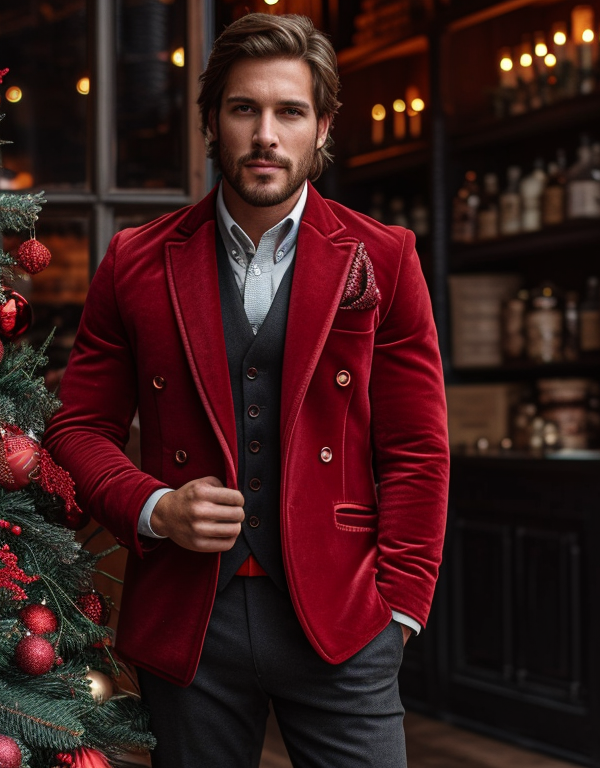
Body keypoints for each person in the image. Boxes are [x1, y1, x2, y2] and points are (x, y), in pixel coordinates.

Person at [44, 13, 449, 768]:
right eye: (244, 109)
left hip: (343, 614)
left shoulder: (386, 258)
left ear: (322, 127)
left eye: (289, 111)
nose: (266, 134)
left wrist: (399, 609)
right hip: (191, 620)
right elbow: (77, 430)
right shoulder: (135, 262)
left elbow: (418, 448)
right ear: (211, 123)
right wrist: (156, 507)